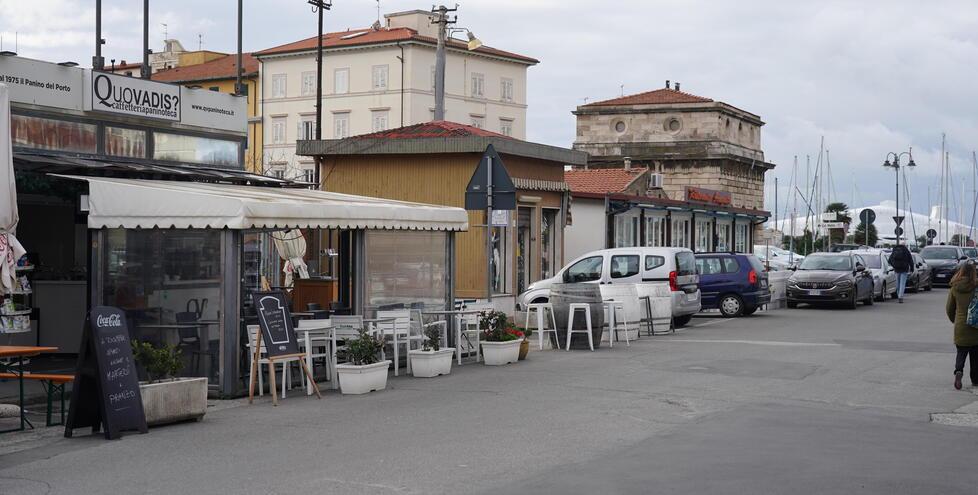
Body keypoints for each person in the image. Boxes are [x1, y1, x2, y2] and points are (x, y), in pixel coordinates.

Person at [945, 262, 978, 390]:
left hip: (961, 325)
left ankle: (958, 371)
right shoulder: (976, 286)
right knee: (975, 355)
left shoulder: (954, 287)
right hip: (975, 325)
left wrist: (955, 321)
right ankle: (975, 379)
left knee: (961, 352)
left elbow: (949, 308)